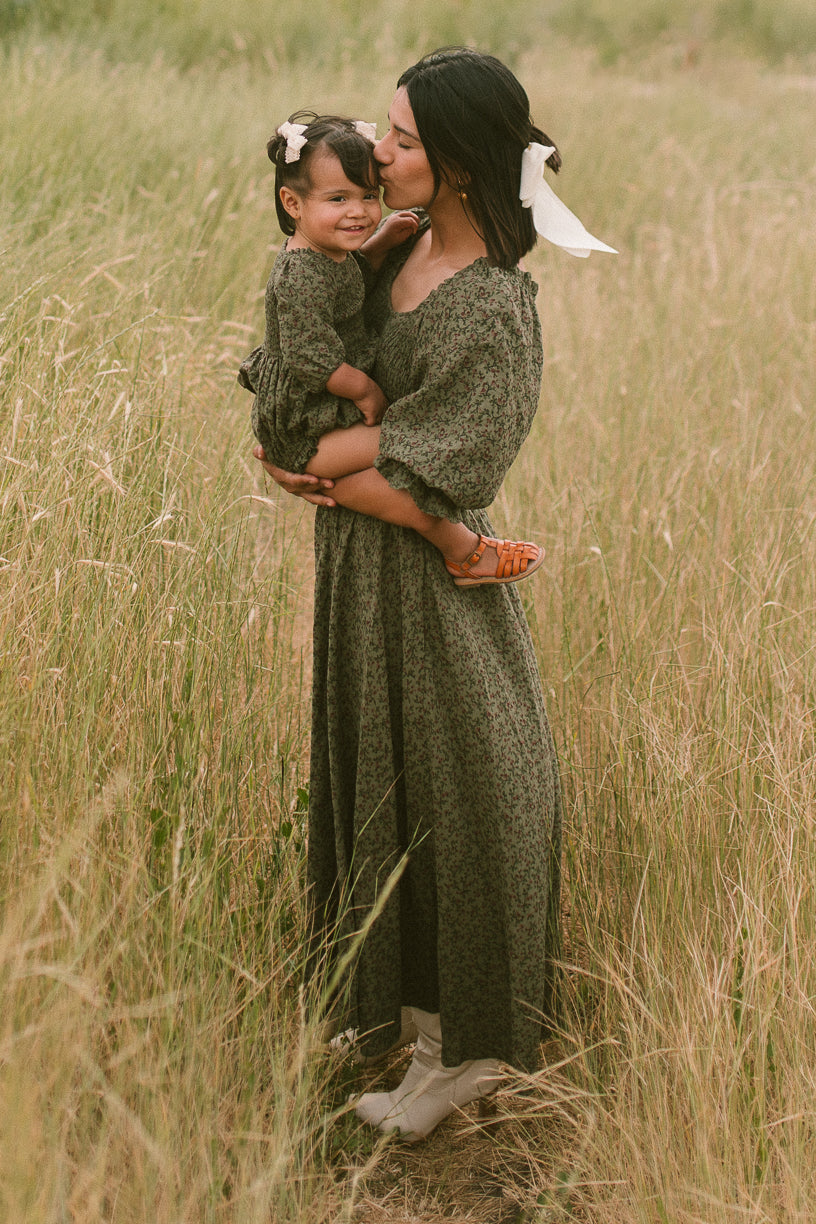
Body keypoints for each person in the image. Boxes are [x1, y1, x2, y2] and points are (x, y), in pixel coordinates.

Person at [254, 47, 615, 1141]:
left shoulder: (495, 307)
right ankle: (414, 1033)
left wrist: (322, 464)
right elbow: (291, 357)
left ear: (455, 163)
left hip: (439, 595)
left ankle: (473, 1052)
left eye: (404, 139)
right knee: (386, 784)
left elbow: (441, 462)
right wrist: (307, 448)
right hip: (366, 578)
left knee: (473, 794)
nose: (380, 149)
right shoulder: (387, 250)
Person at [240, 110, 545, 587]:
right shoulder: (300, 272)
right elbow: (309, 353)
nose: (359, 210)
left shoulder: (332, 254)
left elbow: (347, 293)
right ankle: (464, 549)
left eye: (367, 196)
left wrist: (377, 248)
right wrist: (363, 389)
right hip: (308, 422)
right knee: (407, 440)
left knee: (393, 453)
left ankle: (464, 550)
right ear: (292, 203)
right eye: (339, 198)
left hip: (315, 421)